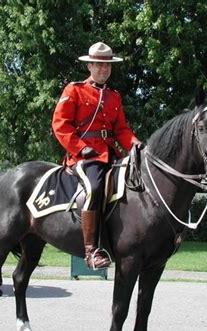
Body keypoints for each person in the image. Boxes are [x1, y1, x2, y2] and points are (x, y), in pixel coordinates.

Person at [52, 42, 141, 270]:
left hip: (110, 153)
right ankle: (92, 252)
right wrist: (80, 148)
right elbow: (60, 124)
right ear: (90, 65)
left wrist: (136, 145)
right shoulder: (75, 90)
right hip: (84, 156)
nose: (104, 70)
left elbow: (121, 129)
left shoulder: (114, 96)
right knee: (94, 187)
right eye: (99, 65)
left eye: (107, 66)